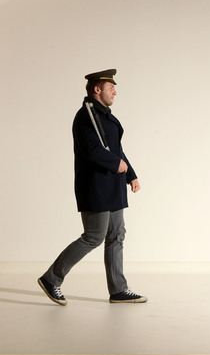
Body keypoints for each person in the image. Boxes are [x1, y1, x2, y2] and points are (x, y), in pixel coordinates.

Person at [38, 68, 147, 305]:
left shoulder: (106, 115)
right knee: (93, 237)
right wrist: (115, 163)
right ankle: (51, 278)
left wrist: (131, 174)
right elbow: (91, 150)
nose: (115, 92)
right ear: (97, 89)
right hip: (96, 186)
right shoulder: (86, 115)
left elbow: (116, 149)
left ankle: (118, 289)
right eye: (111, 88)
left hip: (114, 185)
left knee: (116, 235)